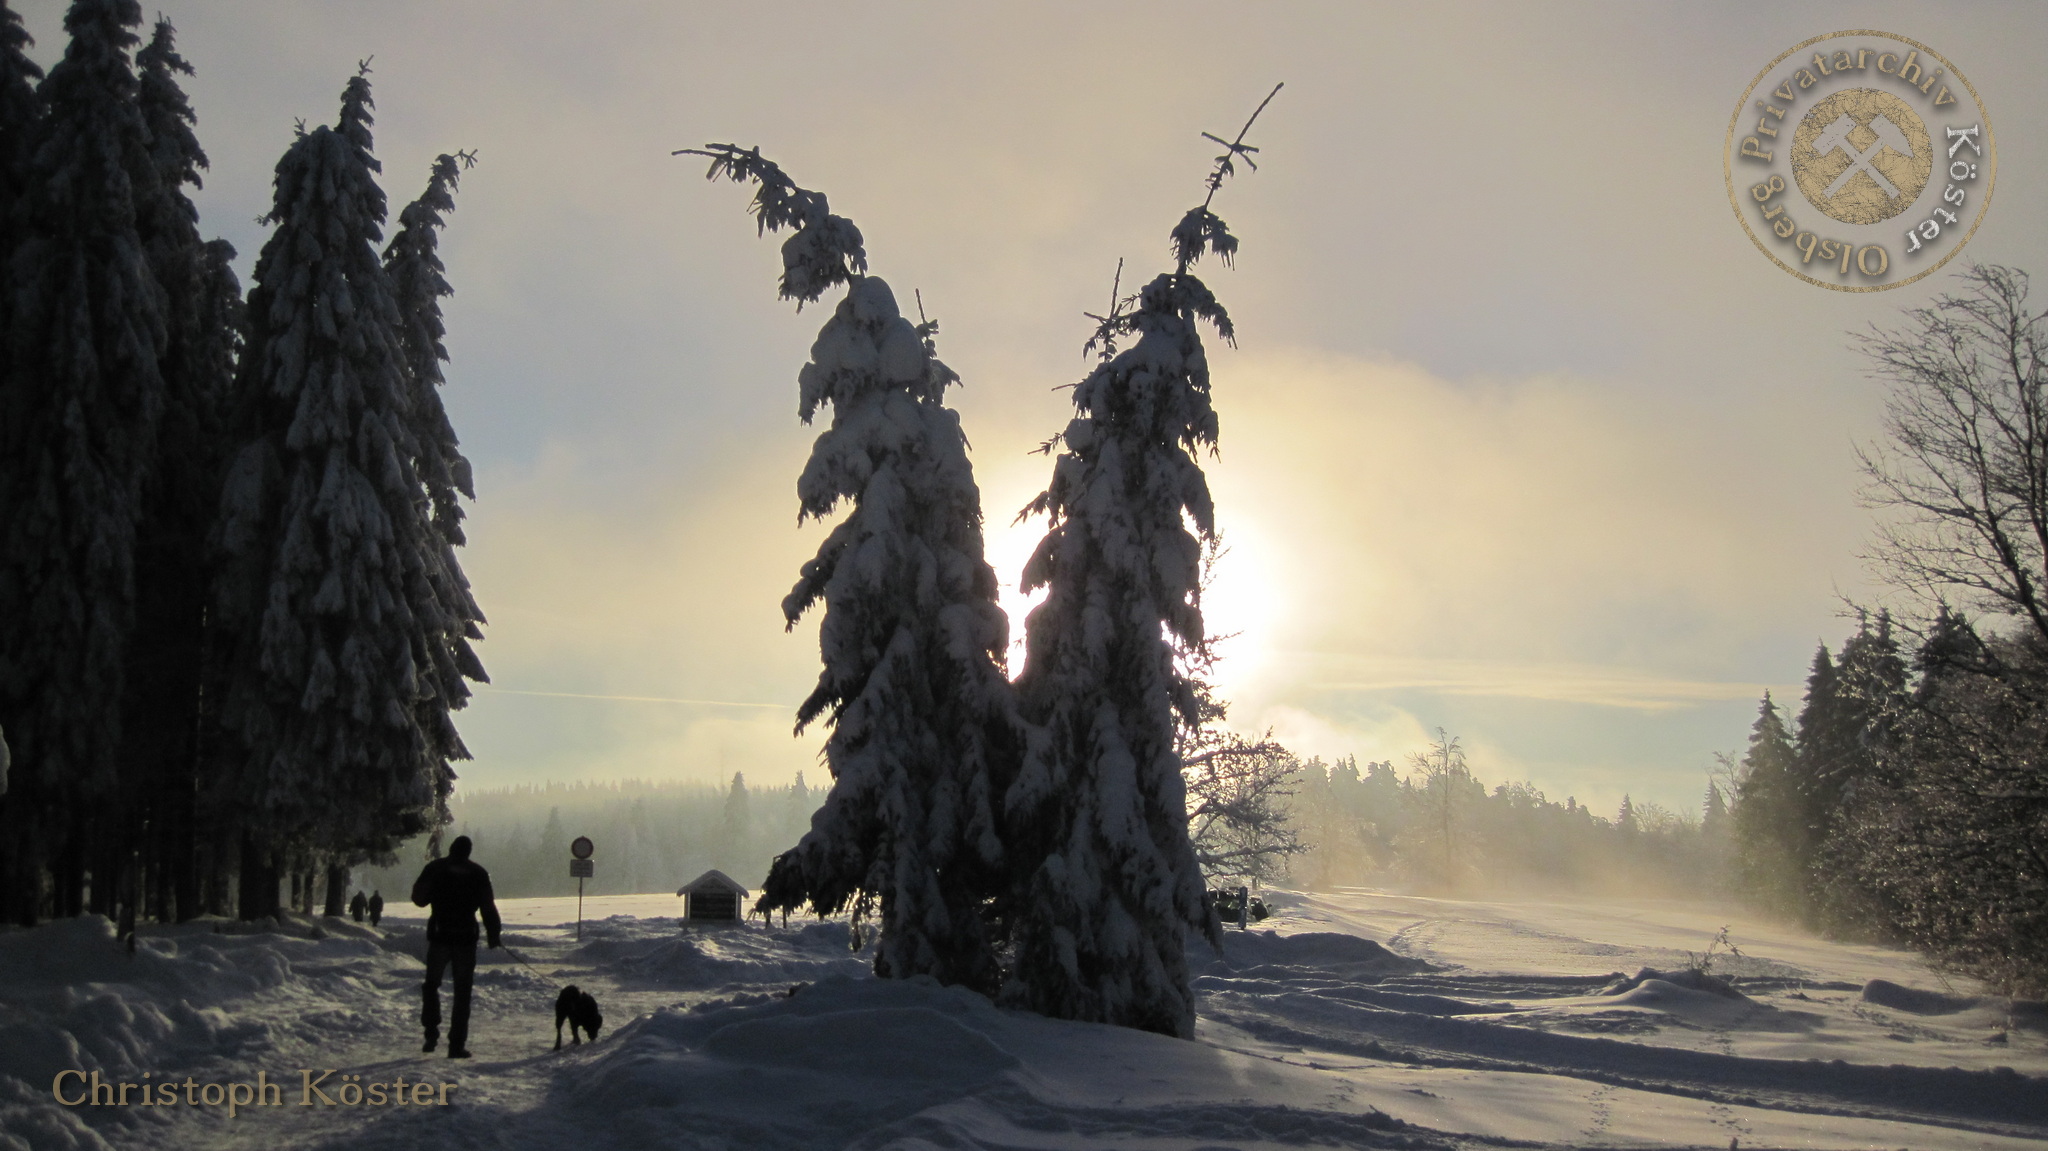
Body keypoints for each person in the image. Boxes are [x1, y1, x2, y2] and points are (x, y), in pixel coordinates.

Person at [409, 837, 501, 1059]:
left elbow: (419, 899)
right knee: (463, 991)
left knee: (432, 985)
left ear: (451, 849)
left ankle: (431, 1031)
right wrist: (493, 934)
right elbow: (488, 907)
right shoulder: (478, 873)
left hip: (440, 933)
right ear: (469, 852)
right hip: (466, 937)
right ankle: (456, 1045)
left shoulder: (435, 868)